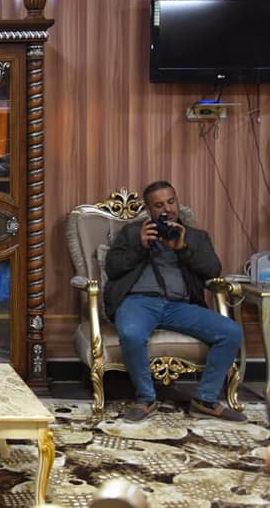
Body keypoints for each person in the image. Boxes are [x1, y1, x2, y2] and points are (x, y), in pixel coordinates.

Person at [104, 180, 245, 423]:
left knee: (231, 331)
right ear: (148, 209)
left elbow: (213, 270)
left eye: (171, 202)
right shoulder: (132, 233)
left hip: (180, 306)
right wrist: (140, 246)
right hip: (139, 302)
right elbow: (113, 268)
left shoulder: (196, 237)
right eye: (159, 205)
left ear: (177, 202)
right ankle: (146, 399)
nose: (167, 209)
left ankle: (205, 400)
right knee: (131, 333)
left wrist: (182, 248)